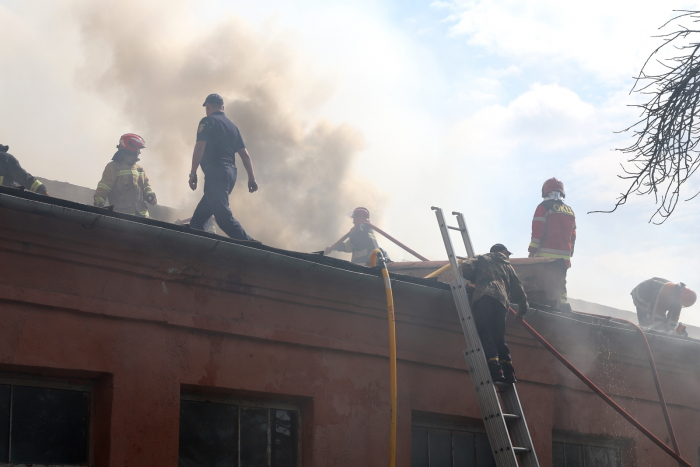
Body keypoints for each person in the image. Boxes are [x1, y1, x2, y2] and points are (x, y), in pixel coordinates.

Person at [188, 93, 258, 240]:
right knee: (197, 221)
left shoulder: (208, 121)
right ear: (223, 108)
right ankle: (197, 248)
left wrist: (192, 174)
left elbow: (199, 147)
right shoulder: (233, 127)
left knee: (222, 216)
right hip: (230, 174)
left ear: (208, 106)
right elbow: (245, 155)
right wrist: (252, 178)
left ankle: (250, 244)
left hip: (216, 173)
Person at [460, 244, 528, 384]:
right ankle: (509, 373)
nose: (508, 256)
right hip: (502, 303)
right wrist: (521, 312)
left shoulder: (482, 258)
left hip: (484, 297)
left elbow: (466, 266)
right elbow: (519, 291)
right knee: (498, 336)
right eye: (507, 253)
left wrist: (475, 278)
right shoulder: (509, 268)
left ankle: (496, 371)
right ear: (502, 251)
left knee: (485, 333)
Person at [528, 177, 576, 310]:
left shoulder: (543, 207)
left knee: (540, 284)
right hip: (564, 258)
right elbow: (573, 235)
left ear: (545, 191)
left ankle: (543, 309)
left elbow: (538, 232)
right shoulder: (570, 211)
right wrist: (570, 253)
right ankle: (562, 308)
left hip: (544, 257)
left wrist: (532, 252)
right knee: (560, 284)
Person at [94, 134, 157, 217]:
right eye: (138, 149)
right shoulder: (113, 167)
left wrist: (150, 196)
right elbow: (103, 188)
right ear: (131, 148)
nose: (140, 152)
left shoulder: (140, 169)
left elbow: (147, 187)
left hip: (142, 218)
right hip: (122, 219)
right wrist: (99, 206)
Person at [324, 207, 389, 266]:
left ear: (358, 218)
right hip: (368, 264)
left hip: (366, 266)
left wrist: (353, 233)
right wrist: (333, 247)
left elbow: (354, 242)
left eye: (354, 219)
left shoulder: (361, 228)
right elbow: (348, 247)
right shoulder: (367, 229)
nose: (353, 221)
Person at [630, 278, 696, 334]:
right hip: (641, 296)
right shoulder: (667, 292)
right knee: (648, 324)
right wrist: (660, 331)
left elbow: (674, 317)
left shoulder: (680, 298)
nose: (680, 305)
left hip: (654, 300)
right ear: (679, 297)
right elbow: (658, 312)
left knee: (659, 324)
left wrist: (671, 331)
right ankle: (643, 336)